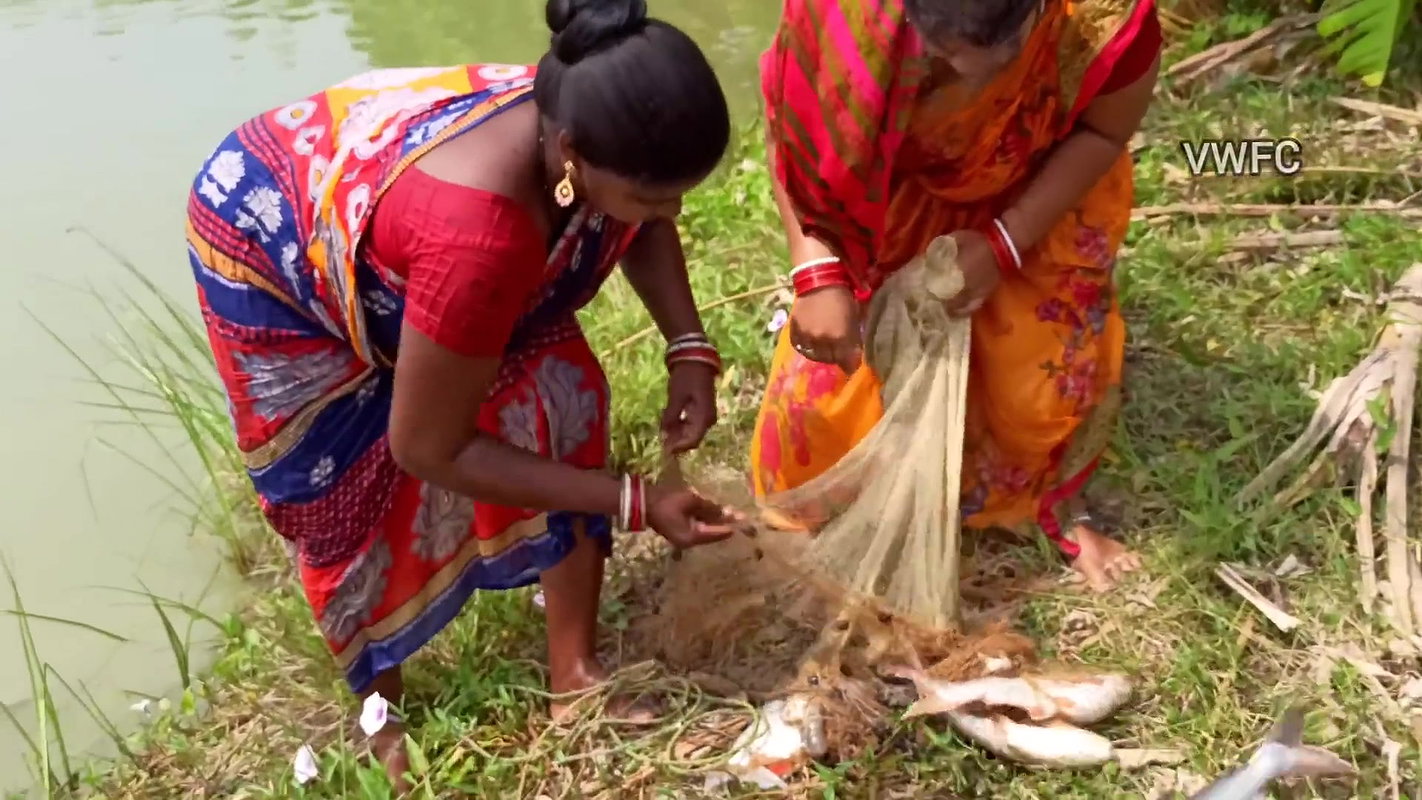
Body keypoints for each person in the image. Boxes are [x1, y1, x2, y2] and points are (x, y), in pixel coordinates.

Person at [186, 0, 736, 785]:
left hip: (402, 199)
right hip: (271, 233)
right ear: (571, 154)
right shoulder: (482, 234)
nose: (670, 213)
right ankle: (382, 721)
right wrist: (634, 501)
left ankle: (573, 678)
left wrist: (689, 346)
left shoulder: (584, 128)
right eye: (655, 196)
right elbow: (427, 446)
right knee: (342, 487)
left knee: (560, 387)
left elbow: (635, 224)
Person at [752, 0, 1161, 591]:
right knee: (823, 425)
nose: (969, 82)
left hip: (1036, 188)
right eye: (940, 53)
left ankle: (1051, 496)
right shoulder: (844, 14)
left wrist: (1005, 246)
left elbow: (1103, 130)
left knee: (1031, 398)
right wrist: (816, 271)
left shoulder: (1103, 19)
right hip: (892, 194)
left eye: (998, 58)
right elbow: (794, 131)